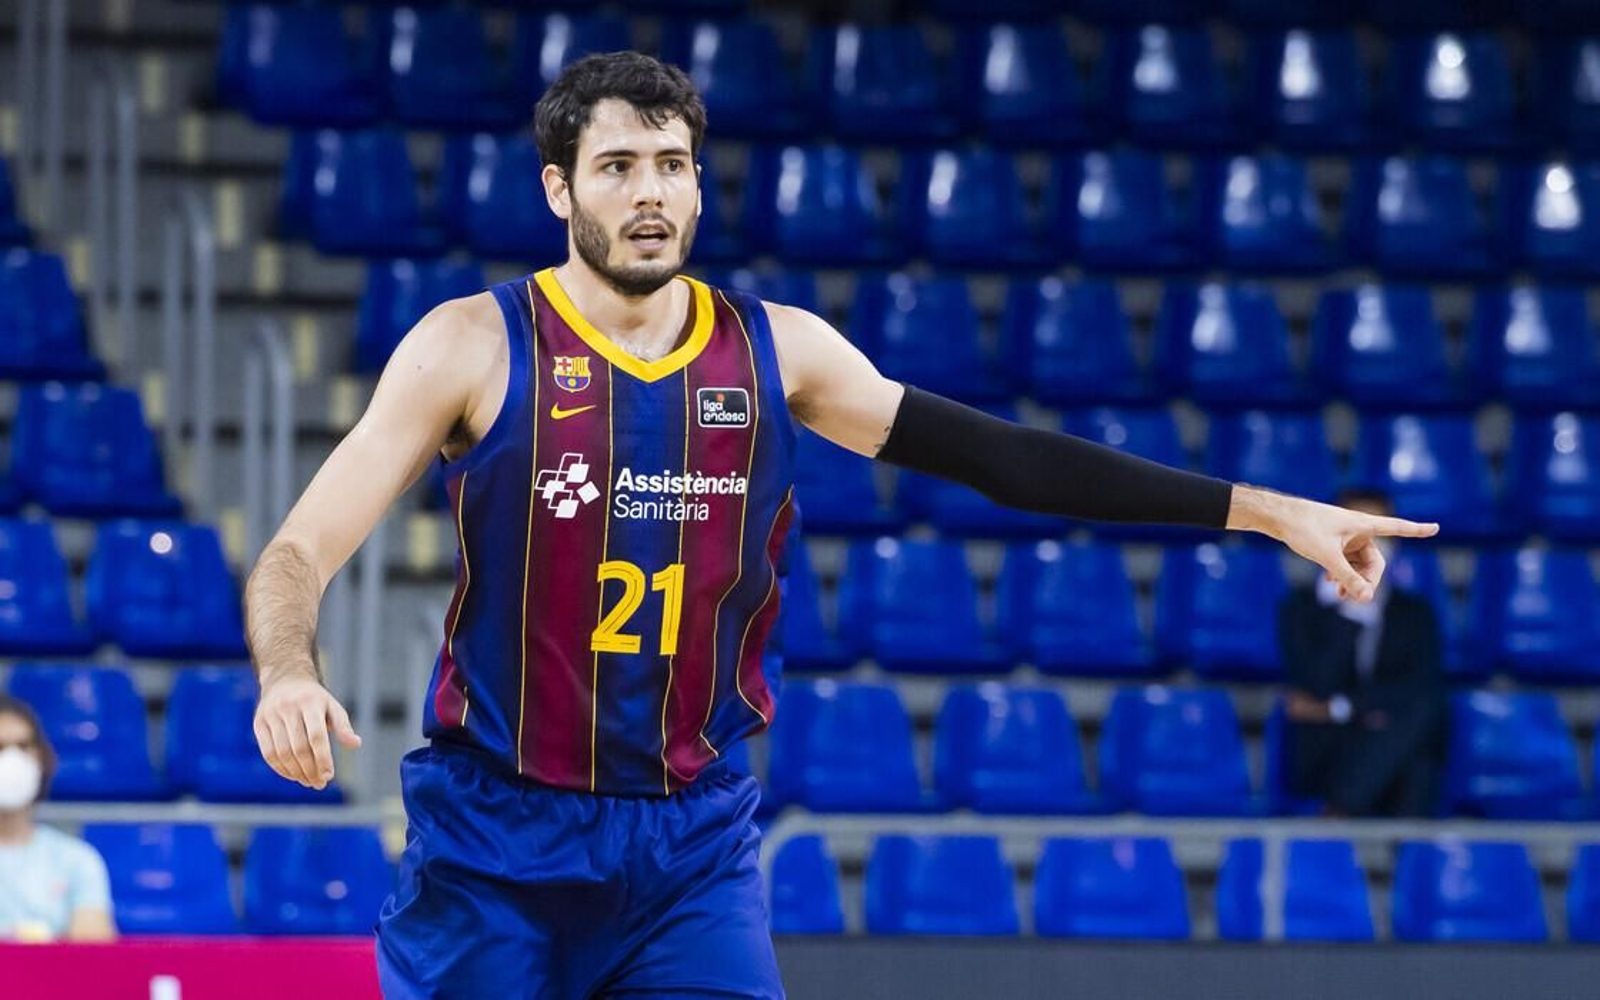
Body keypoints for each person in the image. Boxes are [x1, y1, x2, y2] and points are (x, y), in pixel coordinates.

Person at [242, 51, 1438, 999]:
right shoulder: (472, 343)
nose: (651, 192)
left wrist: (1260, 509)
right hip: (497, 832)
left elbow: (1001, 458)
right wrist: (288, 674)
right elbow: (297, 550)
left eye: (674, 163)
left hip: (686, 837)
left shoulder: (780, 350)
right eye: (616, 167)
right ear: (559, 189)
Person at [1277, 487, 1449, 818]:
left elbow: (1419, 688)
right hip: (1326, 753)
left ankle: (1340, 811)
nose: (1367, 540)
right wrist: (1348, 613)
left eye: (1378, 529)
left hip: (1389, 745)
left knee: (1424, 724)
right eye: (1356, 527)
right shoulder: (1298, 609)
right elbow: (1315, 683)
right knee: (1408, 748)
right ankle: (1346, 808)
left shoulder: (1415, 613)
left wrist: (1339, 708)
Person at [0, 694, 117, 943]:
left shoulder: (77, 860)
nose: (11, 760)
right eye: (0, 748)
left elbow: (93, 956)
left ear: (42, 759)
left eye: (23, 746)